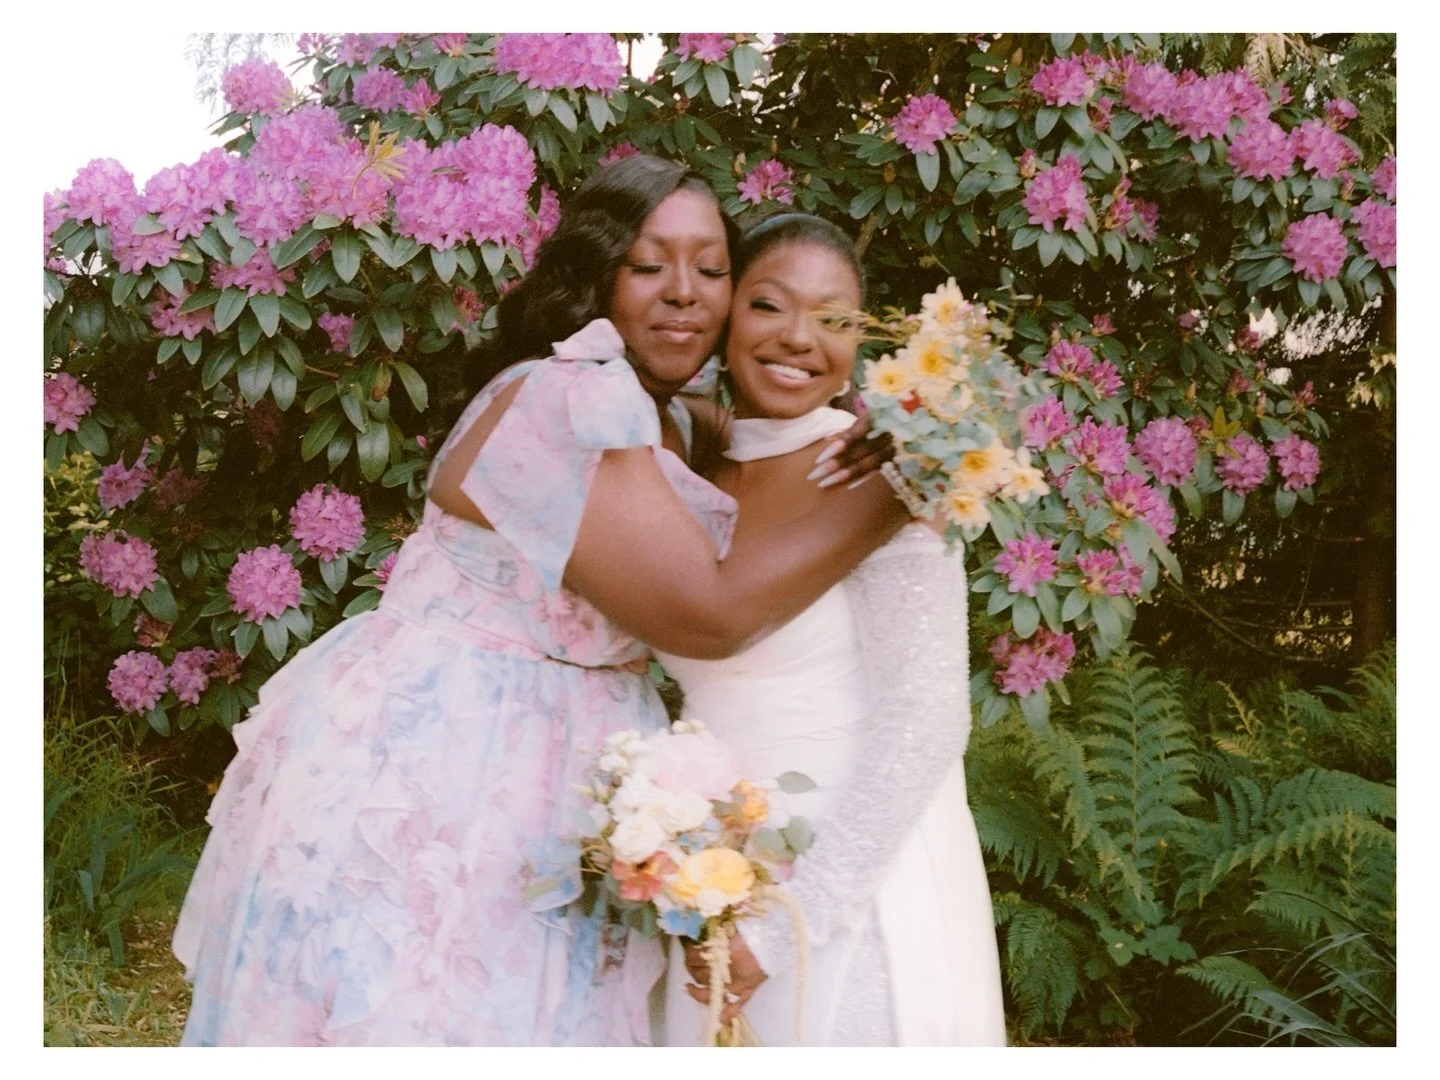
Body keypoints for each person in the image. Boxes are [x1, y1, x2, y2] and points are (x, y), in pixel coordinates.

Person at [171, 157, 909, 1046]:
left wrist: (867, 415)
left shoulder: (673, 417)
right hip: (448, 760)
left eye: (712, 269)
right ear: (596, 274)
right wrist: (913, 474)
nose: (684, 291)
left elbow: (765, 447)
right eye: (648, 265)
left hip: (567, 771)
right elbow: (705, 616)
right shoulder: (565, 397)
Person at [654, 214, 1007, 1046]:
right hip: (703, 870)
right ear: (726, 314)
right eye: (769, 305)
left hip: (848, 885)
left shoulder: (885, 473)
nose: (799, 338)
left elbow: (926, 721)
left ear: (860, 342)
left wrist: (785, 930)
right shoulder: (683, 469)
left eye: (834, 318)